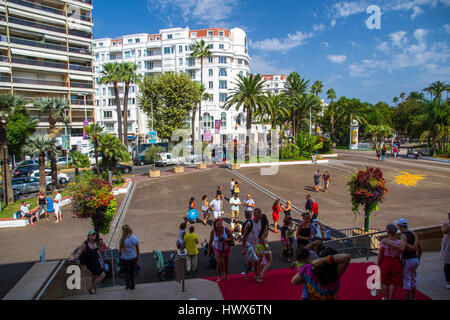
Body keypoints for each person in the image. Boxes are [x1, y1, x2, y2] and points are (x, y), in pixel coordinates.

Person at [382, 218, 422, 300]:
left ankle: (407, 298)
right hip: (415, 259)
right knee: (413, 279)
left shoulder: (404, 235)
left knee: (406, 281)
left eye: (398, 226)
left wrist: (388, 243)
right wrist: (418, 258)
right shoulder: (413, 234)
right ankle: (413, 297)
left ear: (400, 226)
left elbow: (402, 248)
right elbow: (420, 248)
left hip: (407, 259)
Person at [69, 230, 106, 294]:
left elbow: (98, 252)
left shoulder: (95, 243)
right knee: (102, 275)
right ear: (89, 236)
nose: (93, 236)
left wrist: (102, 260)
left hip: (96, 262)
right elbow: (79, 253)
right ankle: (92, 287)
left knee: (95, 276)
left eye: (94, 235)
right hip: (90, 263)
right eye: (92, 235)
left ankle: (93, 289)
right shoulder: (85, 244)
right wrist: (73, 258)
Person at [377, 223, 403, 300]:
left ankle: (386, 297)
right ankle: (391, 297)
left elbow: (381, 254)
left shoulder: (384, 241)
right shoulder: (399, 242)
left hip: (386, 261)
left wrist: (378, 263)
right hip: (396, 261)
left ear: (388, 232)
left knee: (384, 281)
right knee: (393, 282)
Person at [242, 208, 263, 283]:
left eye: (260, 213)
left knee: (250, 262)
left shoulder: (260, 222)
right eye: (258, 213)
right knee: (257, 261)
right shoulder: (249, 223)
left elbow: (258, 235)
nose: (260, 215)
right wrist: (243, 248)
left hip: (255, 244)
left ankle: (246, 274)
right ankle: (257, 277)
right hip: (248, 244)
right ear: (254, 215)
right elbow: (244, 236)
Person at [119, 225, 140, 290]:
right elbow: (137, 248)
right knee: (131, 271)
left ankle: (127, 284)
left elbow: (120, 250)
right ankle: (132, 284)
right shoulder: (134, 238)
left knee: (126, 271)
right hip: (133, 256)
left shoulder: (122, 240)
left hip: (124, 257)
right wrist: (138, 256)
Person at [256, 214, 272, 278]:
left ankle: (258, 275)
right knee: (270, 260)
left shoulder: (258, 225)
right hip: (264, 244)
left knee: (259, 262)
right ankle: (262, 274)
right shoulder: (265, 226)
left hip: (258, 244)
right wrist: (266, 247)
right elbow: (263, 238)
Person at [440, 212, 450, 289]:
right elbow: (445, 231)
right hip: (448, 247)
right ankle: (448, 281)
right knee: (448, 264)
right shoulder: (446, 224)